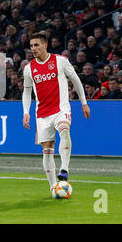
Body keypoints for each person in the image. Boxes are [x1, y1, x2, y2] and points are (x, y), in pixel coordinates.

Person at [22, 32, 90, 194]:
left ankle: (64, 169)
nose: (34, 49)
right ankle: (54, 187)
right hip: (42, 113)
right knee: (47, 150)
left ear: (45, 45)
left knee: (64, 129)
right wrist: (26, 111)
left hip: (61, 108)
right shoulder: (29, 68)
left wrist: (84, 102)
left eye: (36, 45)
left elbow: (76, 80)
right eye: (31, 46)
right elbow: (26, 91)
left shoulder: (60, 61)